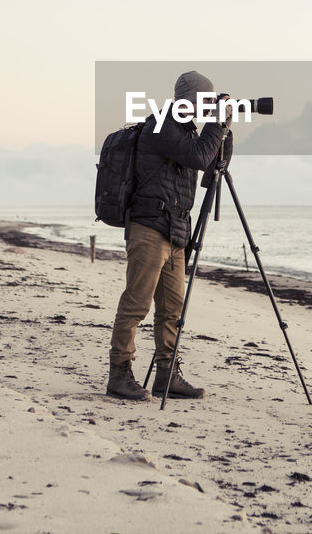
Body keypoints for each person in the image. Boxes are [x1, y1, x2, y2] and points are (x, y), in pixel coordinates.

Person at [106, 70, 229, 401]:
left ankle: (167, 375)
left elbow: (209, 165)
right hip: (149, 227)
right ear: (189, 98)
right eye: (206, 100)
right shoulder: (160, 124)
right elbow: (199, 157)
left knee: (172, 309)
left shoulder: (188, 132)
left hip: (176, 231)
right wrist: (217, 124)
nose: (208, 107)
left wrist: (223, 130)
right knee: (136, 304)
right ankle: (119, 375)